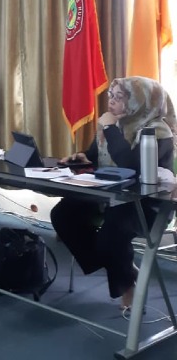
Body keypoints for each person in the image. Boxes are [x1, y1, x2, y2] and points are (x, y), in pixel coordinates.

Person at [50, 76, 177, 309]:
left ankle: (126, 283)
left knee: (112, 233)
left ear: (141, 102)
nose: (111, 102)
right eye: (111, 96)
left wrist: (109, 128)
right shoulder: (116, 124)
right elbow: (96, 155)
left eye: (120, 97)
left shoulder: (157, 131)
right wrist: (81, 157)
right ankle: (121, 269)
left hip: (146, 204)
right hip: (109, 195)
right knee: (62, 214)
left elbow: (134, 167)